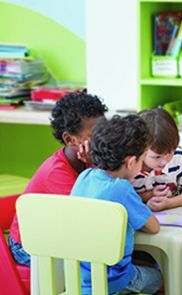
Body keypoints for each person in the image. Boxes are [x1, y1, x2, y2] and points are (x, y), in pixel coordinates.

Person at [8, 92, 107, 266]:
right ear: (70, 139)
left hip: (57, 235)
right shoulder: (57, 172)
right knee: (96, 261)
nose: (103, 140)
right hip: (26, 246)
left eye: (105, 131)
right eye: (94, 136)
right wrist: (97, 165)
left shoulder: (87, 162)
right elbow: (94, 213)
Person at [71, 115, 162, 295]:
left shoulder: (85, 176)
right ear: (130, 162)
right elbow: (153, 227)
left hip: (78, 277)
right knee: (163, 278)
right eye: (142, 159)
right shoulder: (121, 188)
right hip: (112, 280)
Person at [132, 108, 182, 211]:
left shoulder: (178, 157)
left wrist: (169, 203)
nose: (165, 161)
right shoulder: (130, 166)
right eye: (157, 157)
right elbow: (121, 198)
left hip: (176, 216)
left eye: (170, 152)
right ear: (139, 150)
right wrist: (149, 195)